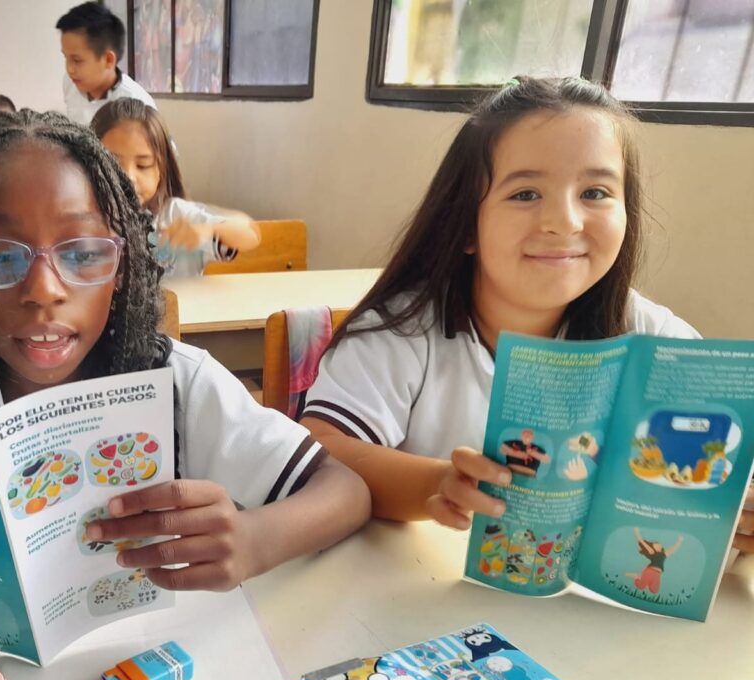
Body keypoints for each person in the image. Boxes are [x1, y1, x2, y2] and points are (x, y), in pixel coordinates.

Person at [0, 110, 370, 591]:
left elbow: (345, 490)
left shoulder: (176, 381)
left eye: (83, 253)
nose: (44, 290)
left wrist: (255, 539)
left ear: (122, 265)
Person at [299, 76, 704, 533]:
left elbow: (718, 456)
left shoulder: (653, 338)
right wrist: (438, 484)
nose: (564, 222)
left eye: (595, 193)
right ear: (466, 225)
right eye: (525, 194)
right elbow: (322, 448)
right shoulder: (403, 332)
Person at [92, 99, 260, 278]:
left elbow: (250, 234)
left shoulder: (174, 216)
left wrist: (209, 229)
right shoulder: (83, 219)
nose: (128, 177)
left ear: (162, 171)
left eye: (143, 165)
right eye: (113, 164)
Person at [56, 2, 155, 126]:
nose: (69, 69)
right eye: (66, 57)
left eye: (77, 60)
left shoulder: (137, 106)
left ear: (108, 60)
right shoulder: (71, 83)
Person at [626, 528, 683, 595]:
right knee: (641, 586)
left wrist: (679, 541)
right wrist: (636, 532)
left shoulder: (664, 554)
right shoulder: (652, 551)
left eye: (658, 544)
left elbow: (673, 549)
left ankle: (647, 582)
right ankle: (635, 576)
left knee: (654, 591)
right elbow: (641, 541)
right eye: (654, 544)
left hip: (657, 574)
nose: (657, 544)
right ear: (653, 547)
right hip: (649, 571)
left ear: (661, 547)